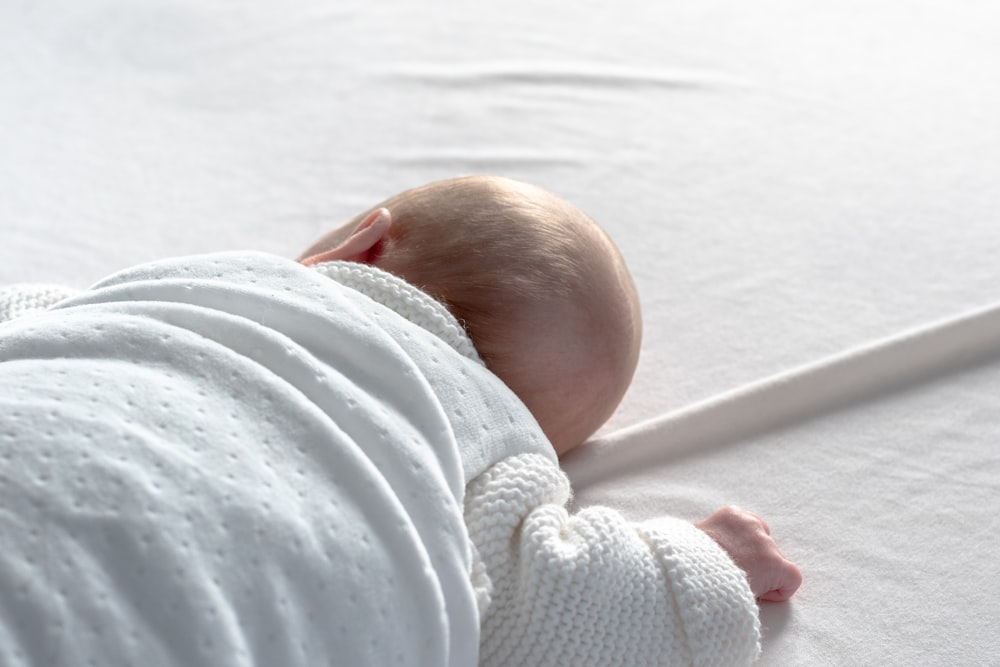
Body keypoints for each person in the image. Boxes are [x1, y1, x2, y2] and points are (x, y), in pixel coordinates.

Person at [0, 176, 800, 667]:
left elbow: (39, 325)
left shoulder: (200, 283)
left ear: (366, 246)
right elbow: (576, 618)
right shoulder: (485, 454)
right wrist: (698, 563)